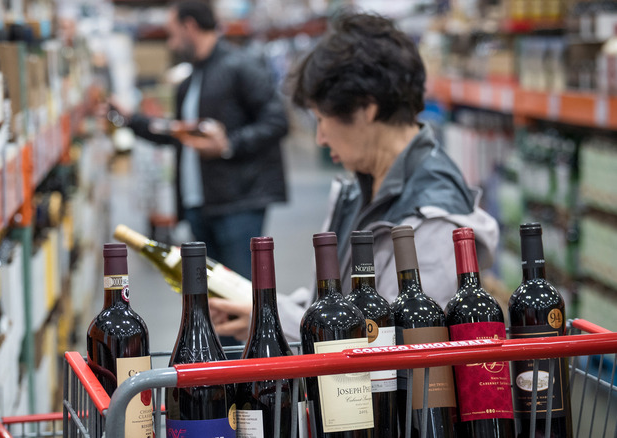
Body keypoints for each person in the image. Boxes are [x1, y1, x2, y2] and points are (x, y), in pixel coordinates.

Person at [209, 11, 499, 342]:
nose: (320, 138)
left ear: (365, 108)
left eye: (322, 119)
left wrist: (276, 321)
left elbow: (391, 342)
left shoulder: (434, 221)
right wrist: (262, 313)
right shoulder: (360, 189)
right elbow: (333, 300)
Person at [115, 1, 289, 280]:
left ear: (190, 26)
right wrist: (130, 119)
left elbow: (277, 121)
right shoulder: (191, 80)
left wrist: (228, 144)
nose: (171, 44)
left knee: (239, 294)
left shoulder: (240, 67)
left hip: (237, 204)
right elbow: (179, 134)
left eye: (172, 33)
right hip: (200, 206)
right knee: (214, 302)